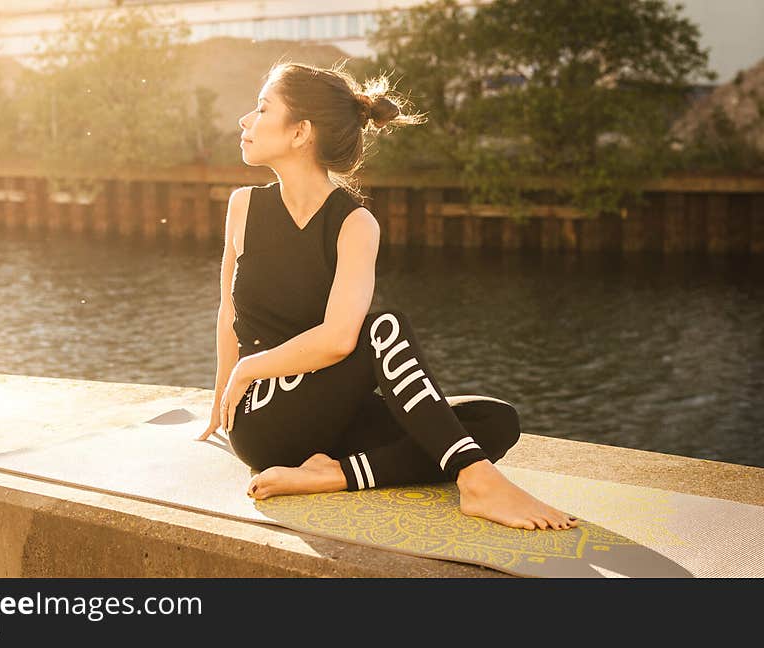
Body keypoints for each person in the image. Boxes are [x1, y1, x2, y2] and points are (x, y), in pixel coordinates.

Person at [196, 60, 578, 531]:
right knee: (384, 327)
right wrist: (223, 399)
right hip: (264, 417)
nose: (245, 120)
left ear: (301, 133)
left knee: (495, 422)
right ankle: (477, 483)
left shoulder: (354, 224)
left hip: (331, 416)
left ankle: (335, 474)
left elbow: (336, 341)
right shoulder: (244, 206)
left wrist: (245, 367)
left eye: (261, 108)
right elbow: (228, 312)